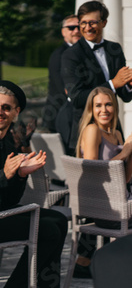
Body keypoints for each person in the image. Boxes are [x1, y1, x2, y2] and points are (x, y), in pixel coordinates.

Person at [0, 80, 67, 288]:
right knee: (49, 230)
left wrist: (20, 175)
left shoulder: (10, 142)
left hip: (1, 213)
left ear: (16, 112)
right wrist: (4, 174)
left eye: (6, 107)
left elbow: (11, 200)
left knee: (59, 220)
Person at [72, 86, 132, 276]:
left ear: (115, 107)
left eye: (108, 105)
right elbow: (93, 173)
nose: (104, 110)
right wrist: (124, 152)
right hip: (105, 209)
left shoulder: (116, 134)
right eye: (98, 105)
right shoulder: (92, 130)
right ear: (91, 109)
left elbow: (125, 179)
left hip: (121, 201)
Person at [62, 0, 132, 152]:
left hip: (112, 131)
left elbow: (125, 96)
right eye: (83, 23)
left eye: (93, 22)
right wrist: (113, 83)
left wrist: (128, 84)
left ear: (104, 23)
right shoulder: (71, 55)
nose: (87, 28)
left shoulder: (114, 49)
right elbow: (77, 98)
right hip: (85, 131)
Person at [43, 14, 81, 133]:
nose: (76, 31)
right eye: (71, 28)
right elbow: (62, 87)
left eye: (79, 27)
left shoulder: (84, 54)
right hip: (58, 116)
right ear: (63, 32)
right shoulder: (58, 55)